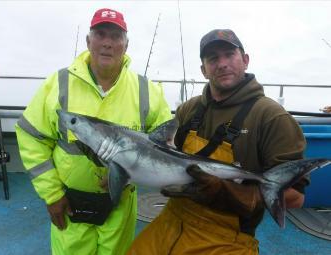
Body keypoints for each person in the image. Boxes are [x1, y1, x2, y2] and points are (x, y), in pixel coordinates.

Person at [127, 29, 308, 254]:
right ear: (203, 70)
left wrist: (228, 193)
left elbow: (296, 197)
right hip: (171, 219)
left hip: (226, 237)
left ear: (245, 60)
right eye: (213, 58)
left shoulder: (272, 117)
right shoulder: (188, 109)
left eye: (229, 55)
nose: (222, 64)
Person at [15, 8, 171, 255]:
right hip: (69, 205)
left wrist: (129, 177)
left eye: (116, 37)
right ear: (89, 41)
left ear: (126, 45)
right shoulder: (58, 83)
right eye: (100, 34)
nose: (107, 43)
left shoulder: (147, 90)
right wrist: (52, 194)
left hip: (120, 206)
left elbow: (165, 148)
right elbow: (30, 136)